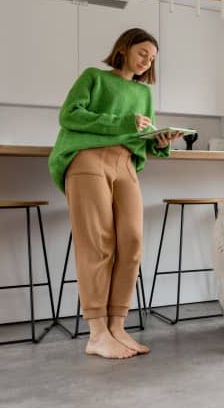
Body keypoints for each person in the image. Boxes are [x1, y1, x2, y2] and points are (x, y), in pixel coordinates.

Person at [48, 28, 183, 359]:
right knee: (97, 242)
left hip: (125, 165)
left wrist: (158, 141)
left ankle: (118, 327)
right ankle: (97, 332)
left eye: (151, 58)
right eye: (142, 53)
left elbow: (140, 135)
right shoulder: (94, 77)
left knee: (133, 241)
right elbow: (70, 115)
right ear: (124, 49)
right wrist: (124, 122)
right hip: (88, 159)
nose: (146, 61)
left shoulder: (144, 94)